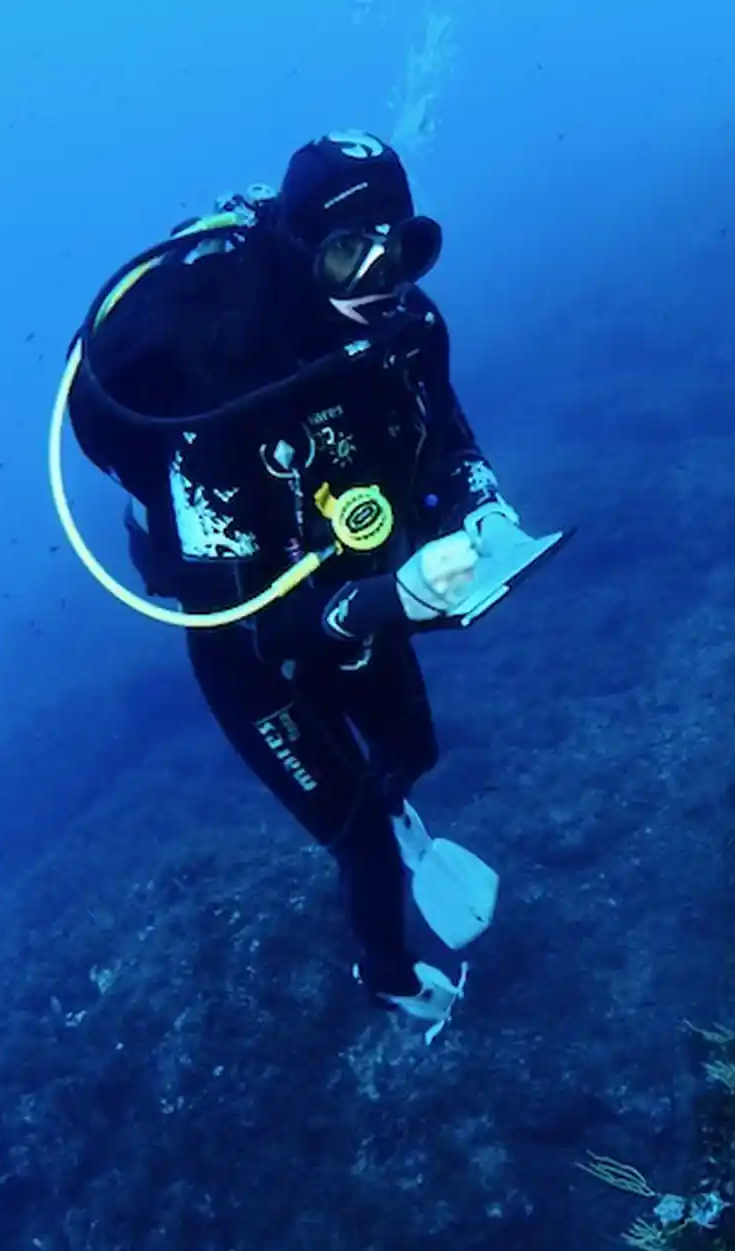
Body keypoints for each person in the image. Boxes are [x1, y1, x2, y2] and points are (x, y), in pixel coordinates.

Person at [63, 130, 549, 1036]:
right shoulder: (218, 403)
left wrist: (484, 514)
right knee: (358, 834)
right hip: (256, 655)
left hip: (363, 596)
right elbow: (250, 623)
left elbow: (447, 441)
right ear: (297, 256)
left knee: (411, 753)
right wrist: (396, 600)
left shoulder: (410, 334)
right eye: (343, 253)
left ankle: (405, 828)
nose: (380, 277)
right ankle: (390, 980)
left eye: (399, 245)